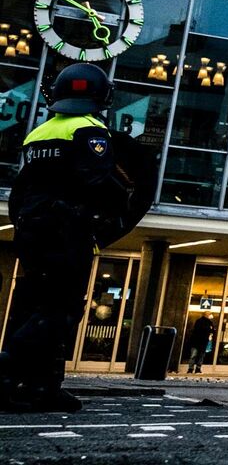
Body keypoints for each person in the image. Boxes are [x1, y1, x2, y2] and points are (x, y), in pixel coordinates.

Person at [0, 63, 134, 412]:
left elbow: (22, 188)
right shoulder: (90, 130)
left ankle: (40, 387)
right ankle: (7, 371)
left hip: (31, 227)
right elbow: (97, 182)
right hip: (65, 229)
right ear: (102, 95)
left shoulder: (39, 133)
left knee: (33, 303)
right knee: (62, 308)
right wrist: (122, 200)